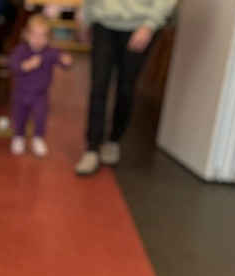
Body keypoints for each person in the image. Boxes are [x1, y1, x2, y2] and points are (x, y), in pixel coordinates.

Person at [74, 0, 178, 175]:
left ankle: (114, 139)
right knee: (98, 86)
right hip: (103, 22)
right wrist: (86, 16)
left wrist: (150, 24)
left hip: (139, 25)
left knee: (125, 89)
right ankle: (91, 148)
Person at [8, 14, 73, 157]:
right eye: (34, 35)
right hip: (20, 93)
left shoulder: (49, 52)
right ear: (27, 34)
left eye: (43, 36)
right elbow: (12, 63)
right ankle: (19, 137)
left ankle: (38, 138)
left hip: (40, 94)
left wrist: (67, 61)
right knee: (19, 117)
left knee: (40, 117)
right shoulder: (21, 50)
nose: (38, 40)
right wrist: (25, 65)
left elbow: (63, 61)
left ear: (48, 37)